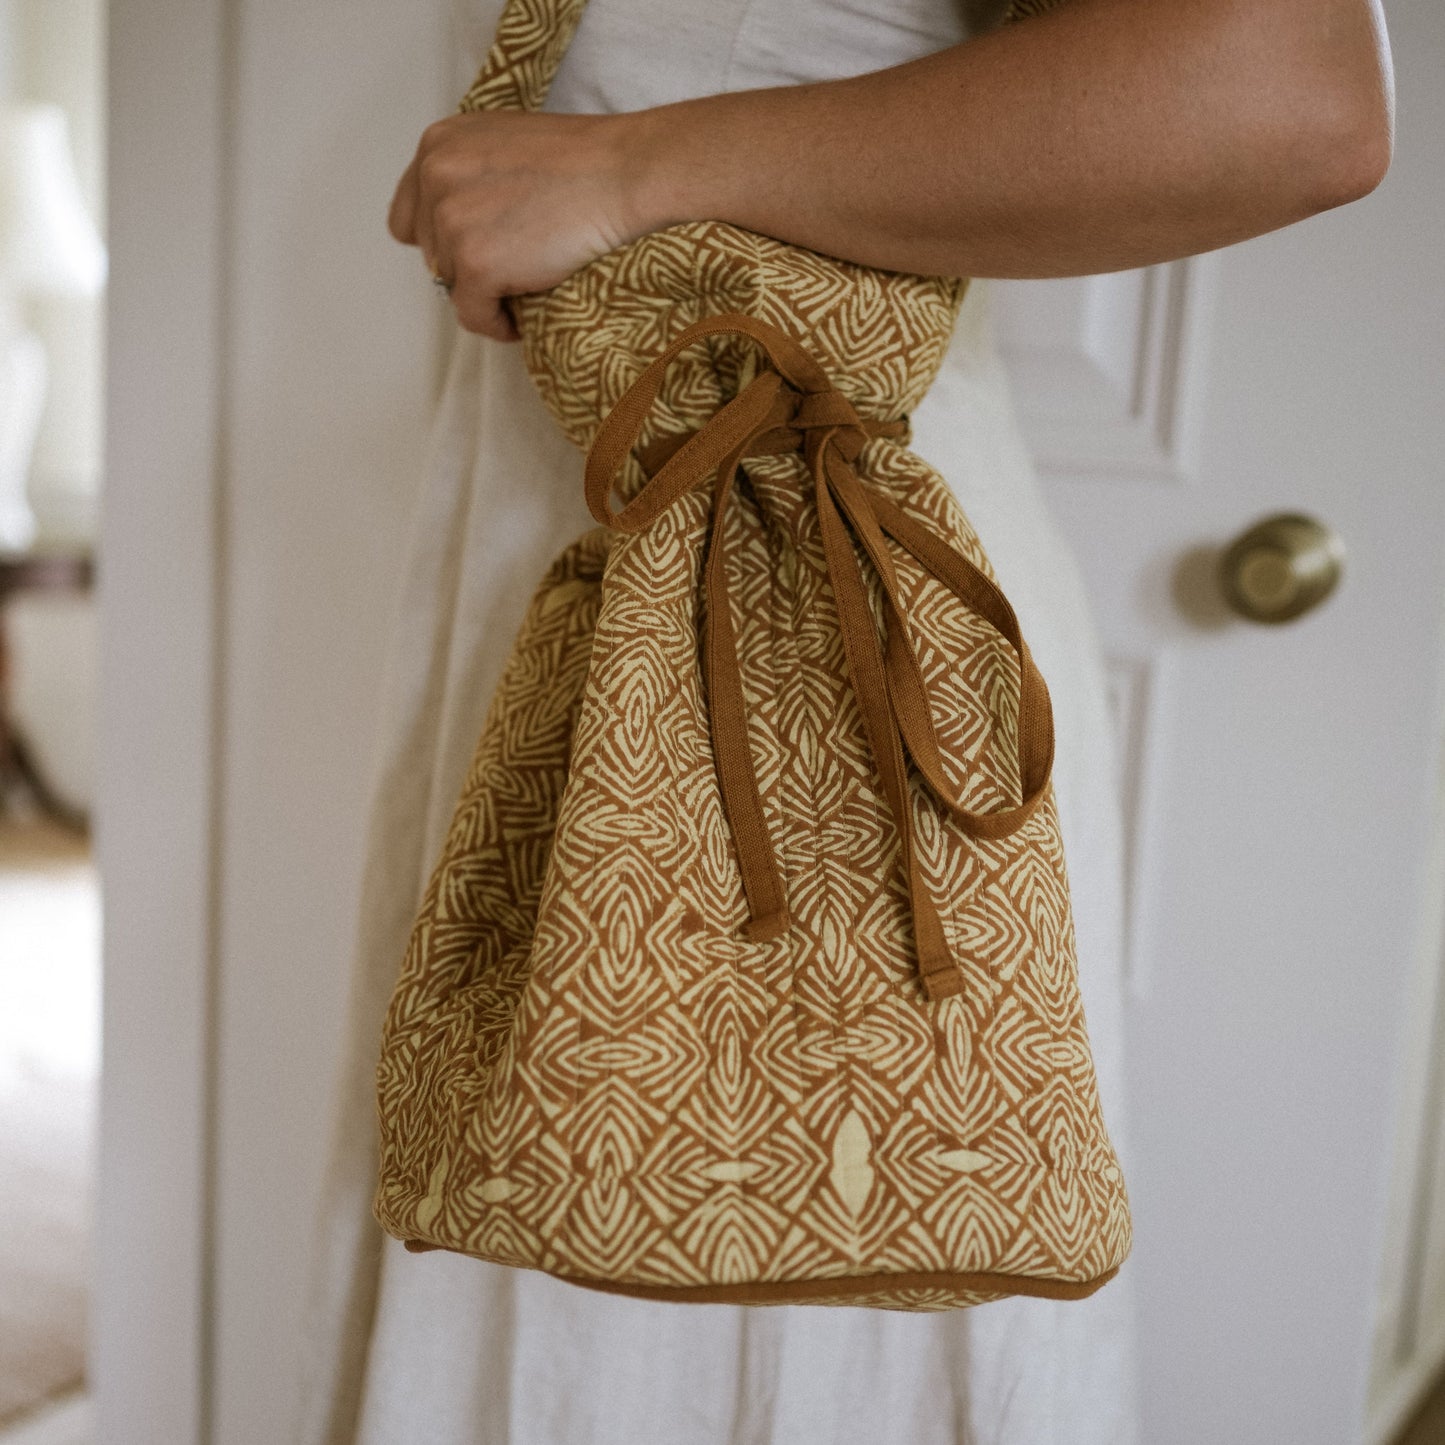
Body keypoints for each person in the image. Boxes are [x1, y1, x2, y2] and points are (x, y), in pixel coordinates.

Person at [298, 1, 1392, 1442]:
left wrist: (630, 175)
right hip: (569, 585)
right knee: (525, 1219)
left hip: (833, 641)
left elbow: (1285, 88)